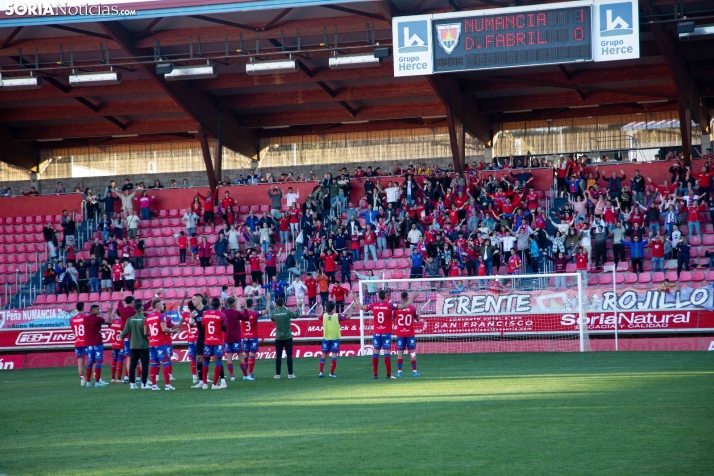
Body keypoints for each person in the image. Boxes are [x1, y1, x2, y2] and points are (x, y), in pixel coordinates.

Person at [353, 289, 411, 379]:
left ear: (378, 296)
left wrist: (355, 299)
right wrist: (413, 298)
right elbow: (405, 306)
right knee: (386, 353)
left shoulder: (374, 305)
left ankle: (375, 374)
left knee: (376, 353)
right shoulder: (389, 305)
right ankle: (388, 374)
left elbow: (361, 307)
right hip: (386, 333)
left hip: (377, 333)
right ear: (386, 296)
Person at [145, 299, 179, 391]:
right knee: (165, 362)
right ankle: (167, 385)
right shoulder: (161, 315)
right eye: (162, 305)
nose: (164, 306)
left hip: (151, 343)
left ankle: (154, 386)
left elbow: (145, 332)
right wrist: (173, 331)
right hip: (160, 343)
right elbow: (164, 329)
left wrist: (153, 334)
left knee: (153, 364)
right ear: (159, 306)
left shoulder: (148, 317)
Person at [119, 300, 150, 389]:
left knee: (132, 365)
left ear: (134, 309)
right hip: (143, 345)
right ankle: (144, 384)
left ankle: (132, 384)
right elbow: (146, 332)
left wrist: (121, 336)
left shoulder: (129, 320)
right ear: (142, 308)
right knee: (144, 365)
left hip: (133, 345)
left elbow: (124, 333)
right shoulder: (145, 319)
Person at [198, 297, 227, 390]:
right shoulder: (221, 314)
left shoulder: (205, 314)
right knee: (218, 361)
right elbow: (225, 328)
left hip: (208, 341)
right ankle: (214, 384)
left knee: (205, 361)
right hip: (218, 341)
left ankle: (205, 384)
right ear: (219, 305)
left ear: (211, 304)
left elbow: (203, 327)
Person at [319, 300, 350, 378]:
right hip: (335, 338)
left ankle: (321, 372)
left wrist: (321, 310)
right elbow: (348, 317)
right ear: (334, 307)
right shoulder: (337, 315)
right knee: (334, 356)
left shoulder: (324, 315)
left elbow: (318, 317)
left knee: (323, 355)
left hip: (326, 338)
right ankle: (331, 373)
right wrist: (352, 309)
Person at [270, 297, 299, 379]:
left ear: (276, 304)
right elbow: (296, 315)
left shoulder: (274, 313)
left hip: (278, 337)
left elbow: (272, 318)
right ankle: (290, 374)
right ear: (283, 303)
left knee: (278, 356)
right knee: (289, 356)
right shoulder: (287, 312)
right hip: (287, 337)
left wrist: (276, 309)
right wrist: (298, 308)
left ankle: (277, 374)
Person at [83, 303, 110, 387]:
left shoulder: (85, 319)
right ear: (93, 310)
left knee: (90, 362)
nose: (99, 311)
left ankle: (88, 382)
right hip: (97, 343)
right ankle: (97, 382)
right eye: (98, 309)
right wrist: (109, 312)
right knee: (98, 362)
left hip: (89, 344)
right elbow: (110, 322)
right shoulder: (98, 319)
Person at [394, 291, 420, 377]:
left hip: (400, 334)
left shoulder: (397, 309)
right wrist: (419, 311)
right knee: (412, 352)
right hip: (410, 334)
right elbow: (418, 319)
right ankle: (415, 371)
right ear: (408, 297)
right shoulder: (412, 308)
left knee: (400, 352)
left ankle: (399, 372)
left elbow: (392, 319)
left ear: (401, 298)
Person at [223, 296, 249, 381]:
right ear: (234, 304)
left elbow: (221, 313)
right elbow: (246, 317)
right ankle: (245, 375)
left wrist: (223, 306)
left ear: (227, 304)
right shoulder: (236, 313)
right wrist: (245, 308)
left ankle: (232, 376)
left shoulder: (224, 313)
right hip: (236, 337)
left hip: (227, 337)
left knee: (229, 357)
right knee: (240, 356)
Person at [240, 298, 262, 380]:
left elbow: (238, 311)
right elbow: (266, 311)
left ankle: (245, 375)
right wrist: (268, 300)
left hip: (245, 337)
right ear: (252, 305)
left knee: (245, 354)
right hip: (253, 336)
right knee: (252, 354)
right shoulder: (255, 313)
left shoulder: (242, 313)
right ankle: (249, 374)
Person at [71, 303, 89, 386]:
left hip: (77, 341)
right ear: (83, 308)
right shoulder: (85, 318)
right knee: (92, 360)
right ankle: (95, 377)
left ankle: (82, 379)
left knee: (80, 361)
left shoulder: (73, 319)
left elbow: (74, 332)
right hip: (85, 341)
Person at [108, 305, 125, 383]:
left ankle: (112, 378)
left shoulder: (113, 322)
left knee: (114, 360)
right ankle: (119, 378)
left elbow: (109, 322)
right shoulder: (123, 323)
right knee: (120, 360)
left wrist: (111, 314)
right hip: (121, 344)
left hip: (114, 344)